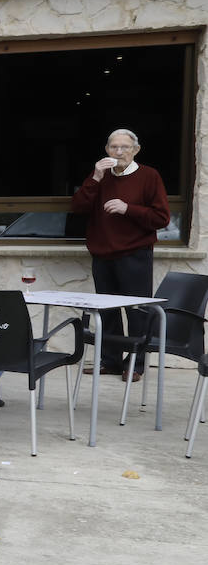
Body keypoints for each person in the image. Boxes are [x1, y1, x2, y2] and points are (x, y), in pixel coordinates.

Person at [70, 128, 171, 382]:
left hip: (135, 254)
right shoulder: (100, 177)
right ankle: (111, 361)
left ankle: (136, 363)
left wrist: (128, 209)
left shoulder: (149, 176)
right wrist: (95, 176)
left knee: (137, 312)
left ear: (135, 150)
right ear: (106, 150)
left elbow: (161, 218)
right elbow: (79, 207)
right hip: (102, 254)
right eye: (114, 147)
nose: (119, 152)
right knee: (107, 312)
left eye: (125, 147)